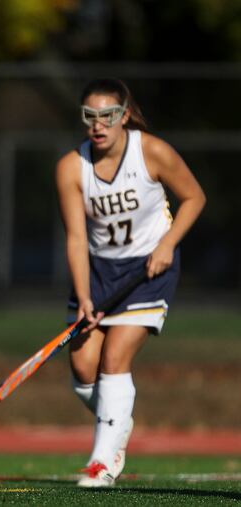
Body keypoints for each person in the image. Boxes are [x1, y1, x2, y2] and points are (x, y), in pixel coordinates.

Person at [55, 78, 205, 487]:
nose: (98, 124)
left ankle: (101, 464)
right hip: (100, 271)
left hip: (148, 268)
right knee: (84, 368)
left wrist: (168, 245)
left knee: (115, 359)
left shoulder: (151, 151)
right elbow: (75, 237)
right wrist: (84, 296)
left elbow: (195, 197)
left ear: (124, 116)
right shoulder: (72, 166)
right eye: (90, 116)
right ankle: (118, 422)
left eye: (108, 115)